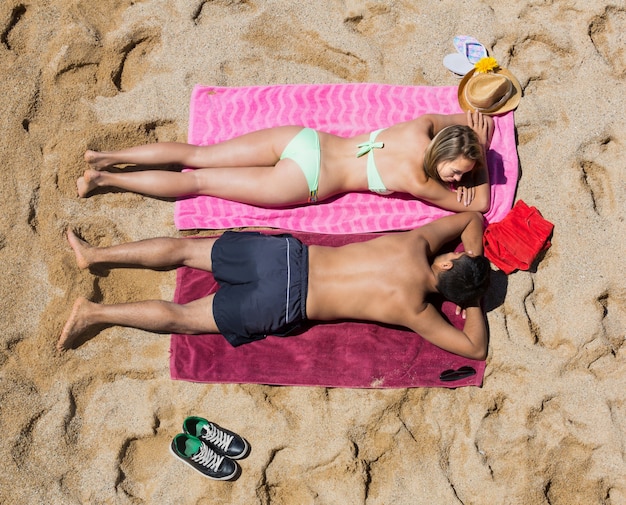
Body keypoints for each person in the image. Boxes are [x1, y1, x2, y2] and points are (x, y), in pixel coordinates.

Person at [58, 212, 490, 359]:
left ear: (451, 258)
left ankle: (93, 255)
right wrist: (470, 300)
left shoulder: (417, 243)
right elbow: (474, 349)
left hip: (283, 257)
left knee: (184, 250)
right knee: (185, 319)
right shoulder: (416, 311)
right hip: (283, 302)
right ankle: (95, 314)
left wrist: (474, 256)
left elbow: (474, 220)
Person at [77, 111, 494, 212]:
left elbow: (459, 122)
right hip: (308, 179)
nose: (458, 177)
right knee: (197, 182)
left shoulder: (423, 126)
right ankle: (102, 179)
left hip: (305, 140)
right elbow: (476, 205)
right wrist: (488, 165)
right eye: (457, 169)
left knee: (197, 156)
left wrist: (476, 133)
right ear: (443, 151)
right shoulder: (418, 180)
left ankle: (102, 158)